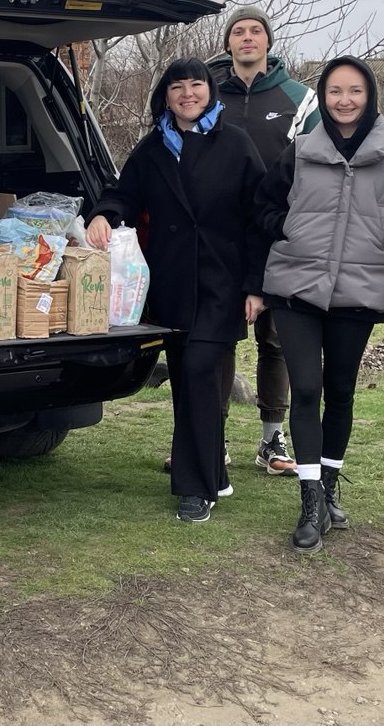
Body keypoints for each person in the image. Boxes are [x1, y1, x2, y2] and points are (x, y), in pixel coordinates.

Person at [255, 56, 384, 552]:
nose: (344, 100)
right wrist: (288, 229)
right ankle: (310, 499)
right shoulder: (299, 152)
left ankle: (331, 485)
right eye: (335, 91)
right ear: (323, 97)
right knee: (306, 388)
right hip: (296, 287)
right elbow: (263, 206)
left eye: (354, 91)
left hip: (359, 290)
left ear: (369, 95)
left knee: (341, 390)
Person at [87, 58, 267, 522]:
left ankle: (195, 488)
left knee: (203, 373)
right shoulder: (153, 149)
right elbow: (125, 193)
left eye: (196, 85)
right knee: (189, 381)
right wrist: (105, 214)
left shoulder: (237, 144)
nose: (188, 94)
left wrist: (256, 287)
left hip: (223, 282)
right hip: (171, 283)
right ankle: (214, 473)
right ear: (165, 96)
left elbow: (259, 221)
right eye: (177, 87)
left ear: (210, 91)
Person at [207, 6, 320, 476]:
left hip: (280, 237)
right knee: (217, 340)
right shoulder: (207, 94)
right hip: (221, 239)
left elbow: (318, 165)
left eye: (256, 31)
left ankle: (272, 443)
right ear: (229, 43)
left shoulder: (301, 97)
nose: (247, 38)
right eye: (239, 32)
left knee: (276, 341)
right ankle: (210, 440)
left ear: (268, 42)